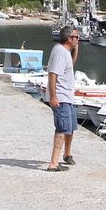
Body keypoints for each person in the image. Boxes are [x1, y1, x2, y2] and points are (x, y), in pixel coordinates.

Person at [45, 25, 79, 171]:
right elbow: (53, 74)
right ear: (69, 38)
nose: (78, 39)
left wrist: (76, 49)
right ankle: (53, 163)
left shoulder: (65, 52)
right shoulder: (60, 52)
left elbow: (71, 64)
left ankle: (67, 154)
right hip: (61, 97)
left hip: (68, 97)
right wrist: (53, 97)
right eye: (76, 37)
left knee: (71, 127)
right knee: (62, 128)